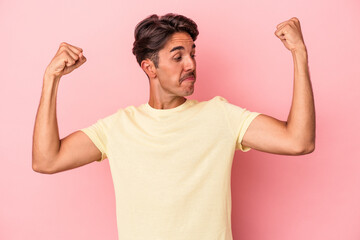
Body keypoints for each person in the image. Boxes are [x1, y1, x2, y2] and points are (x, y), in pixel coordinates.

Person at [32, 13, 315, 240]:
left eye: (193, 53)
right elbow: (46, 160)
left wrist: (299, 53)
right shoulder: (117, 127)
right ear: (149, 67)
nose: (191, 64)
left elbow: (298, 141)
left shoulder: (220, 116)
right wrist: (51, 78)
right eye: (178, 56)